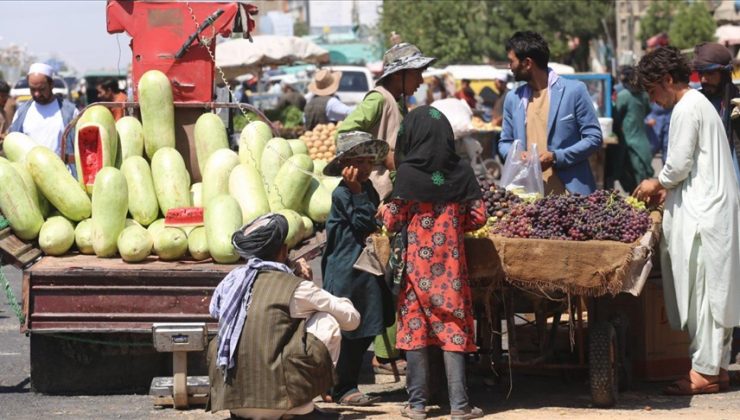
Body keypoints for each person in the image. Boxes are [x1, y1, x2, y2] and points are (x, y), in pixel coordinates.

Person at [633, 46, 740, 395]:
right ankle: (717, 368)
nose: (653, 100)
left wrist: (656, 183)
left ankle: (705, 372)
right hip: (711, 209)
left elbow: (677, 166)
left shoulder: (686, 108)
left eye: (652, 91)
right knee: (713, 293)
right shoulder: (698, 105)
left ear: (667, 80)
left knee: (704, 296)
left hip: (705, 216)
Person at [335, 41, 435, 374]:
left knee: (392, 277)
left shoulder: (398, 102)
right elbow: (347, 131)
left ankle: (388, 349)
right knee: (387, 276)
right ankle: (384, 353)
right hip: (375, 197)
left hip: (390, 196)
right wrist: (380, 157)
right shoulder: (379, 99)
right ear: (401, 74)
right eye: (417, 73)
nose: (421, 79)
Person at [382, 105, 486, 420]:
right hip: (451, 272)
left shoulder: (408, 175)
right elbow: (479, 217)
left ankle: (416, 406)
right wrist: (454, 224)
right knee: (453, 327)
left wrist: (385, 209)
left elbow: (391, 220)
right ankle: (460, 406)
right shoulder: (462, 171)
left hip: (415, 272)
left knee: (415, 329)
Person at [208, 213, 360, 420]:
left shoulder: (232, 283)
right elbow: (351, 320)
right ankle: (302, 406)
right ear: (284, 251)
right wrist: (308, 287)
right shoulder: (298, 288)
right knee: (326, 319)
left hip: (236, 405)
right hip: (283, 404)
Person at [320, 131, 394, 406]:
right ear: (345, 166)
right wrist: (356, 193)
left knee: (369, 323)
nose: (364, 168)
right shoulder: (343, 192)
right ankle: (343, 387)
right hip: (346, 271)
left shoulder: (367, 189)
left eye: (367, 162)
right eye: (357, 162)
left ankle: (339, 383)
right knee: (348, 330)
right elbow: (365, 222)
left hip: (366, 269)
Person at [499, 31, 603, 195]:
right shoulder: (513, 98)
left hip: (571, 197)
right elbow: (504, 143)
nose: (509, 67)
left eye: (511, 61)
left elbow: (594, 138)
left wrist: (556, 157)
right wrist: (517, 156)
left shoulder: (574, 91)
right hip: (527, 197)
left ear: (527, 63)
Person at [9, 63, 78, 173]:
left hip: (63, 177)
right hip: (31, 177)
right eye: (32, 89)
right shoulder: (21, 114)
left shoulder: (70, 112)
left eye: (41, 89)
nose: (36, 94)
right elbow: (12, 145)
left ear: (52, 85)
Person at [692, 42, 740, 183]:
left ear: (724, 73)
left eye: (710, 74)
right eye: (701, 74)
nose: (703, 80)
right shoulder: (696, 101)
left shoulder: (736, 101)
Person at [606, 66, 653, 192]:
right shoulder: (644, 95)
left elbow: (615, 116)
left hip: (628, 143)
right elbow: (648, 110)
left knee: (630, 178)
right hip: (643, 143)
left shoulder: (624, 95)